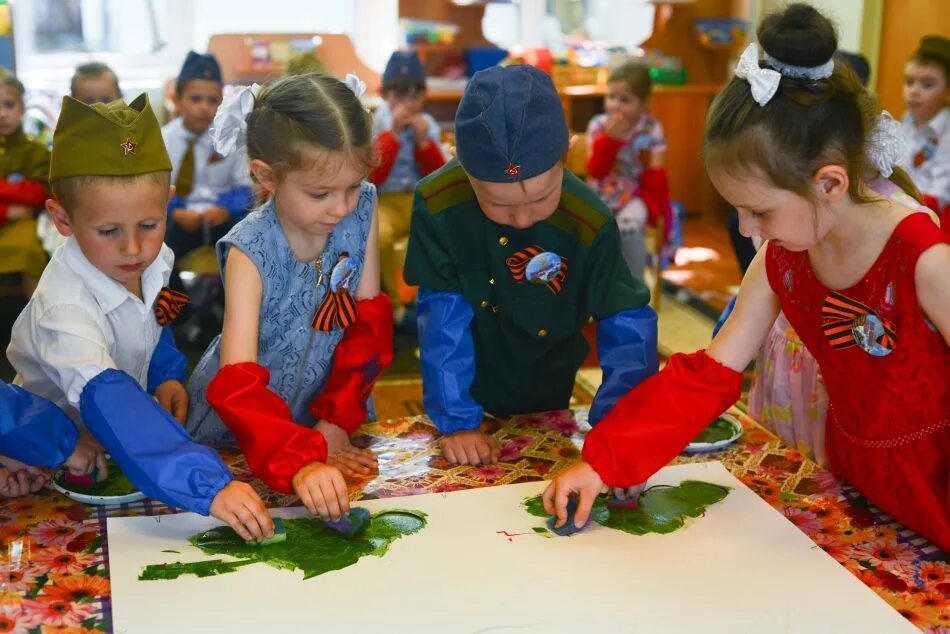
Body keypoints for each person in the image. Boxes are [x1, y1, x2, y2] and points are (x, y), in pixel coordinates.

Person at [544, 4, 950, 551]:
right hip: (857, 479)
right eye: (735, 209)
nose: (744, 227)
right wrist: (605, 462)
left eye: (758, 211)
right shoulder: (781, 257)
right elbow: (708, 374)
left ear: (829, 183)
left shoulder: (924, 259)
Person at [6, 93, 274, 541]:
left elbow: (152, 319)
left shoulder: (153, 259)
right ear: (62, 218)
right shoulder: (63, 307)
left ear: (167, 202)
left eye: (149, 225)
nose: (133, 249)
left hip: (122, 442)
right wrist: (205, 486)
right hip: (52, 454)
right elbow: (106, 395)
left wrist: (165, 375)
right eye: (109, 231)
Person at [404, 64, 658, 466]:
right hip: (463, 395)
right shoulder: (438, 203)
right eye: (499, 205)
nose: (522, 220)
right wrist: (457, 422)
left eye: (540, 200)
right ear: (461, 164)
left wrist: (618, 428)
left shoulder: (589, 219)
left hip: (547, 387)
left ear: (568, 152)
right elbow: (441, 322)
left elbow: (626, 324)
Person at [186, 73, 392, 521]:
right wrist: (299, 457)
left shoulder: (364, 206)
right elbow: (237, 384)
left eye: (353, 185)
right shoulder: (250, 249)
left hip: (335, 410)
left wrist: (334, 424)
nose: (341, 207)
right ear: (267, 176)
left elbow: (368, 325)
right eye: (320, 193)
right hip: (248, 433)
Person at [367, 51, 445, 328]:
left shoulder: (429, 126)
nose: (407, 104)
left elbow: (437, 177)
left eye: (415, 96)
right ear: (386, 94)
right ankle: (397, 305)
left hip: (416, 198)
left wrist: (424, 143)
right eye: (400, 95)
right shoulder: (377, 123)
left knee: (435, 234)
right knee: (380, 236)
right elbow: (372, 174)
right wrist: (395, 136)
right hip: (385, 199)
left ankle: (423, 298)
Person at [585, 60, 670, 279]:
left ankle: (633, 286)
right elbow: (595, 171)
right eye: (611, 97)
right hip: (600, 193)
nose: (616, 105)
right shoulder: (598, 125)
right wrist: (610, 140)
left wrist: (654, 208)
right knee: (592, 234)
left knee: (628, 229)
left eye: (625, 100)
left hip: (635, 195)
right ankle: (600, 282)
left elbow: (655, 174)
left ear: (644, 103)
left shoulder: (651, 128)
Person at [0, 73, 50, 299]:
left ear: (22, 108)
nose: (2, 114)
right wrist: (7, 210)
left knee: (28, 250)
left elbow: (38, 193)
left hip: (24, 224)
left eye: (8, 105)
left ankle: (39, 322)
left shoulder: (35, 151)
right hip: (8, 217)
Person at [898, 34, 950, 224]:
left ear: (948, 91)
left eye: (927, 85)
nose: (914, 91)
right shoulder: (906, 121)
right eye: (909, 82)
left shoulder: (946, 133)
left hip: (933, 214)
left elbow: (941, 192)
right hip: (901, 203)